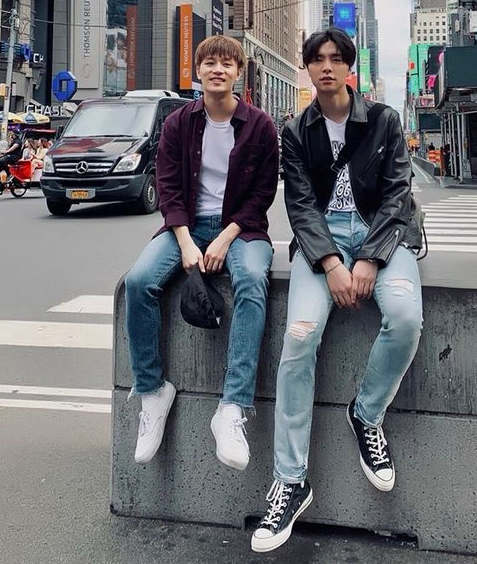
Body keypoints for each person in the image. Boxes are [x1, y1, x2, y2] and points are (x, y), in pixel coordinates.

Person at [251, 29, 423, 553]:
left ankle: (366, 413)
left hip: (381, 233)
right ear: (306, 68)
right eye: (317, 59)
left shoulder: (385, 120)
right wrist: (330, 262)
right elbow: (299, 202)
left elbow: (398, 192)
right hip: (321, 237)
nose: (326, 67)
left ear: (350, 67)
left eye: (336, 59)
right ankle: (290, 478)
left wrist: (369, 257)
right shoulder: (296, 130)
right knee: (299, 338)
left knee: (405, 318)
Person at [125, 36, 279, 472]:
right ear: (198, 71)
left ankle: (232, 407)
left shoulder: (261, 125)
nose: (217, 70)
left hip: (242, 228)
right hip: (185, 228)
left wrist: (227, 236)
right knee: (139, 282)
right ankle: (153, 391)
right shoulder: (179, 123)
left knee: (251, 281)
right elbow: (169, 186)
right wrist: (188, 241)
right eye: (209, 62)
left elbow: (263, 193)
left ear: (238, 73)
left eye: (226, 64)